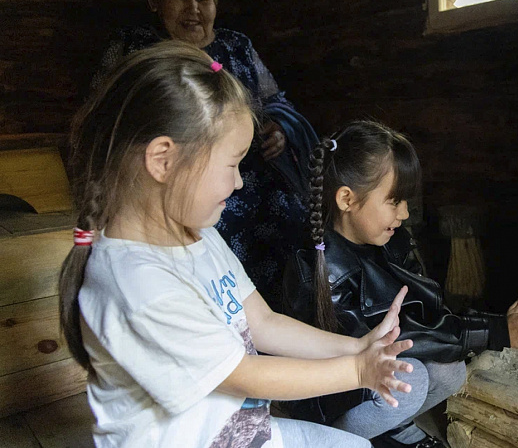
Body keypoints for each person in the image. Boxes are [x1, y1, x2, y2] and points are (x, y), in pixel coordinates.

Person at [59, 41, 416, 448]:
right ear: (163, 160)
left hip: (244, 436)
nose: (240, 182)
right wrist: (356, 370)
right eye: (232, 165)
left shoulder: (199, 235)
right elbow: (243, 374)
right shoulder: (135, 284)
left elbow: (262, 323)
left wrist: (356, 345)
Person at [282, 121, 518, 448]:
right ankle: (332, 440)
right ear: (347, 199)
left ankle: (388, 427)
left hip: (369, 372)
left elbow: (429, 318)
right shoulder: (319, 269)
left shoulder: (394, 243)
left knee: (449, 371)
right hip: (326, 392)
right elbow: (397, 340)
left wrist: (498, 325)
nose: (404, 213)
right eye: (394, 201)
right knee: (409, 378)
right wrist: (496, 332)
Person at [91, 0, 312, 311]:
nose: (193, 8)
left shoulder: (237, 45)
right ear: (154, 1)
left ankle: (282, 320)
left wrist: (279, 129)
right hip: (175, 180)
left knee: (293, 223)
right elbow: (104, 114)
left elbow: (276, 101)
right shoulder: (134, 47)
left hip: (248, 175)